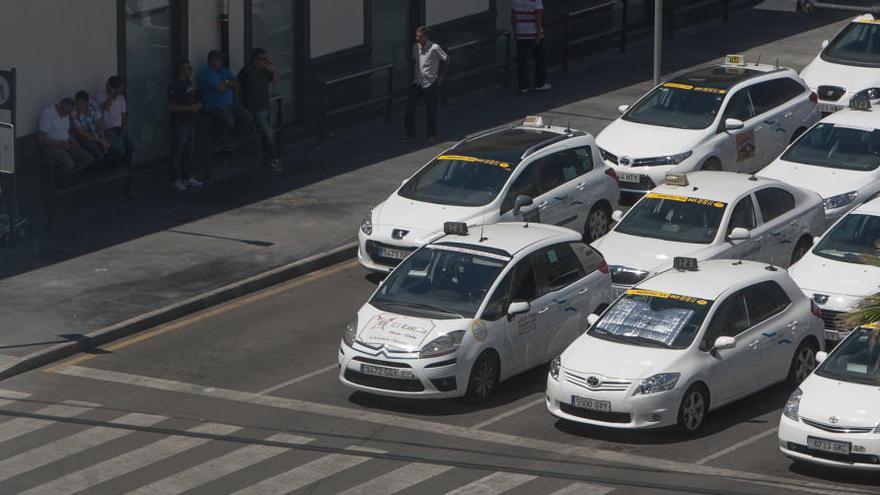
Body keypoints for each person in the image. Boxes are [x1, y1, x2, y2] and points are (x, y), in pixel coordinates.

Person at [402, 26, 449, 143]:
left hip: (430, 83)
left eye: (420, 36)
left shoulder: (434, 48)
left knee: (431, 110)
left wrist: (441, 76)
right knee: (409, 109)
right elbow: (415, 61)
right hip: (417, 82)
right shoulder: (415, 47)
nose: (417, 38)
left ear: (426, 36)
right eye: (417, 36)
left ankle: (431, 134)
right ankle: (410, 133)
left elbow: (447, 59)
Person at [199, 49, 252, 152]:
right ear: (210, 60)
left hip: (229, 102)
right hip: (214, 105)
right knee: (228, 120)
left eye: (221, 59)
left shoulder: (224, 69)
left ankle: (229, 140)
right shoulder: (207, 72)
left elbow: (236, 82)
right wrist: (229, 83)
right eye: (218, 59)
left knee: (247, 117)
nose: (221, 61)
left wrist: (227, 82)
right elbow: (220, 88)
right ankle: (213, 142)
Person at [238, 48, 282, 171]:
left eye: (266, 59)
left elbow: (275, 82)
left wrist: (273, 71)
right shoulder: (246, 71)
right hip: (255, 108)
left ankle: (267, 160)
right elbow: (238, 87)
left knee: (268, 135)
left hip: (266, 106)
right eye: (263, 59)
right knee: (269, 134)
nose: (265, 61)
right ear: (255, 60)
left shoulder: (264, 71)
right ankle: (275, 160)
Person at [38, 97, 94, 187]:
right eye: (66, 113)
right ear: (61, 108)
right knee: (69, 163)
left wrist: (72, 141)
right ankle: (62, 183)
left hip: (66, 143)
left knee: (87, 158)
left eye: (69, 113)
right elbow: (42, 139)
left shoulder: (66, 114)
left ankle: (63, 175)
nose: (67, 115)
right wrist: (61, 144)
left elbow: (67, 131)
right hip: (50, 146)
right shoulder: (47, 114)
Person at [168, 59, 204, 192]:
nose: (190, 71)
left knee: (189, 151)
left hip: (190, 121)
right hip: (180, 123)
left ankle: (187, 176)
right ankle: (175, 179)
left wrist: (198, 105)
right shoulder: (175, 85)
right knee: (177, 152)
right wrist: (189, 108)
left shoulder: (189, 82)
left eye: (190, 68)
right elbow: (171, 106)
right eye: (187, 68)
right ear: (181, 70)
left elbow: (194, 98)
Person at [95, 76, 136, 166]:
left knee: (131, 146)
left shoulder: (121, 98)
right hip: (107, 129)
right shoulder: (100, 95)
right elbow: (105, 107)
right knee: (119, 149)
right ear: (113, 88)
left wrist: (124, 129)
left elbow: (124, 115)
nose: (123, 90)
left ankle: (121, 167)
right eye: (120, 88)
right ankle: (111, 167)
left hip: (119, 128)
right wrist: (111, 94)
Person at [512, 0, 550, 94]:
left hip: (520, 32)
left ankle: (523, 86)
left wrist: (515, 31)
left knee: (522, 60)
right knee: (540, 59)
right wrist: (539, 33)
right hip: (533, 32)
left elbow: (513, 17)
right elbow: (537, 16)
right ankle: (539, 84)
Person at [70, 90, 111, 167]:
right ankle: (91, 173)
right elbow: (82, 133)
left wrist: (103, 138)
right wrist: (100, 140)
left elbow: (99, 123)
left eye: (81, 103)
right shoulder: (73, 112)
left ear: (87, 102)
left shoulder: (92, 105)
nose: (78, 105)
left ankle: (104, 171)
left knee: (109, 148)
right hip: (82, 137)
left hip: (94, 133)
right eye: (77, 103)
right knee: (99, 155)